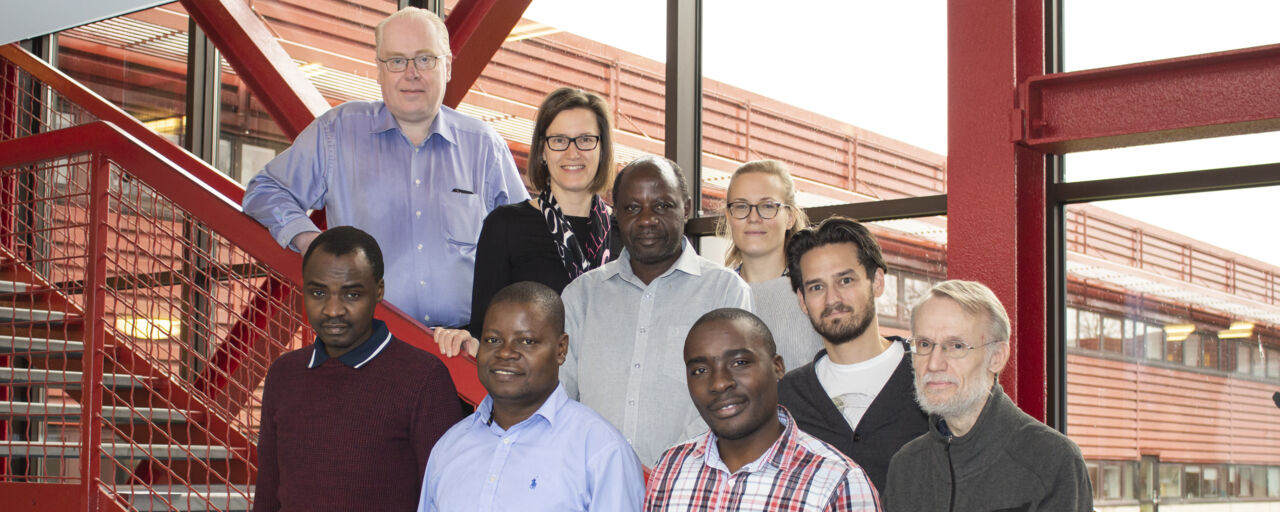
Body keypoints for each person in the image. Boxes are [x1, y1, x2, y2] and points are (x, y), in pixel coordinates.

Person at [242, 7, 528, 330]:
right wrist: (311, 242)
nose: (411, 73)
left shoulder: (485, 147)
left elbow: (526, 248)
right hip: (366, 348)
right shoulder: (337, 133)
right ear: (378, 71)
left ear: (447, 66)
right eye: (396, 61)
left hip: (460, 353)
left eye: (425, 59)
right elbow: (264, 190)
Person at [560, 156, 752, 466]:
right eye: (633, 208)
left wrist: (669, 469)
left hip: (690, 485)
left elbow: (734, 395)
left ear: (686, 207)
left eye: (662, 206)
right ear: (616, 214)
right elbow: (560, 396)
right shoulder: (582, 296)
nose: (647, 219)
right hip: (591, 484)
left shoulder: (725, 291)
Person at [253, 227, 462, 512]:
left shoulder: (423, 378)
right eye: (318, 292)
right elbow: (267, 493)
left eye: (351, 294)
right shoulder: (283, 374)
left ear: (379, 291)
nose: (333, 310)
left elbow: (446, 499)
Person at [417, 282, 644, 512]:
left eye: (526, 341)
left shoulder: (601, 452)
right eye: (493, 340)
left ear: (561, 349)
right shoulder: (449, 448)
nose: (505, 353)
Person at [435, 87, 622, 354]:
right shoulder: (506, 226)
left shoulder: (625, 233)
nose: (572, 152)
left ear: (602, 149)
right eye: (558, 140)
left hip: (609, 388)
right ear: (543, 151)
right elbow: (485, 330)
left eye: (585, 140)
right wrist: (465, 340)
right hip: (532, 390)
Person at [883, 280, 1092, 512]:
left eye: (956, 346)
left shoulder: (1052, 460)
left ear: (997, 357)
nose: (933, 364)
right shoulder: (905, 467)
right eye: (924, 344)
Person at [645, 308, 881, 511]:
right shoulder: (670, 467)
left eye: (739, 363)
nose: (719, 383)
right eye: (700, 371)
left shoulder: (838, 483)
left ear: (777, 367)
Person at [776, 216, 927, 493]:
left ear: (877, 281)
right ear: (802, 301)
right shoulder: (785, 399)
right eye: (817, 287)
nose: (832, 299)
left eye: (845, 280)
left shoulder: (929, 375)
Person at [717, 159, 822, 370]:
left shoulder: (816, 291)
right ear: (729, 216)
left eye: (767, 206)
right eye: (741, 206)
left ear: (790, 217)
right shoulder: (714, 291)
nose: (753, 218)